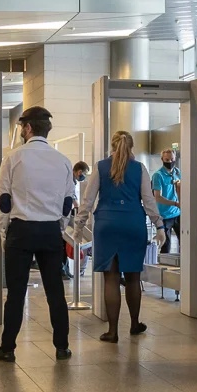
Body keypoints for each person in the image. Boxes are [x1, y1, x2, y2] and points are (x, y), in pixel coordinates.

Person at [0, 106, 75, 363]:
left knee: (15, 294)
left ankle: (7, 348)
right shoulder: (63, 161)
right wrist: (58, 227)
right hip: (49, 231)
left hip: (21, 231)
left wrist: (5, 231)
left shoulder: (14, 158)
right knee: (55, 292)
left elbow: (3, 200)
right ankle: (62, 347)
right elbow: (68, 202)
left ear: (27, 128)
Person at [75, 131, 165, 342]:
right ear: (131, 146)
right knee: (133, 278)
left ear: (112, 146)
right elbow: (148, 201)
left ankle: (112, 331)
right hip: (133, 223)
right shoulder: (140, 169)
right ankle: (134, 324)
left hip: (107, 224)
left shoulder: (100, 167)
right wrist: (159, 225)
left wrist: (78, 226)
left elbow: (87, 200)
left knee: (111, 278)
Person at [150, 148, 181, 254]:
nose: (170, 162)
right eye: (167, 160)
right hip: (164, 216)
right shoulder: (158, 175)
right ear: (162, 159)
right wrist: (175, 203)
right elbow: (157, 197)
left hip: (177, 214)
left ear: (175, 158)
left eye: (172, 159)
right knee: (165, 245)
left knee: (185, 241)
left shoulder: (177, 172)